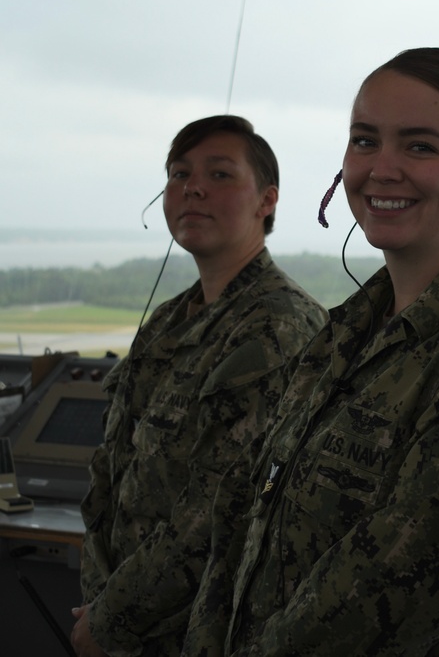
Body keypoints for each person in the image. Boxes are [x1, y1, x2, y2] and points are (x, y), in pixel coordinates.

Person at [181, 48, 439, 656]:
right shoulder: (348, 331)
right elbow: (242, 515)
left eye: (421, 146)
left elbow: (389, 584)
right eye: (365, 141)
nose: (382, 168)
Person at [72, 115, 328, 656]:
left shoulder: (278, 326)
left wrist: (111, 618)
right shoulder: (170, 320)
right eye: (179, 173)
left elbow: (219, 512)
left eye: (220, 174)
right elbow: (112, 470)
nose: (192, 187)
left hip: (199, 634)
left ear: (267, 201)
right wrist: (100, 599)